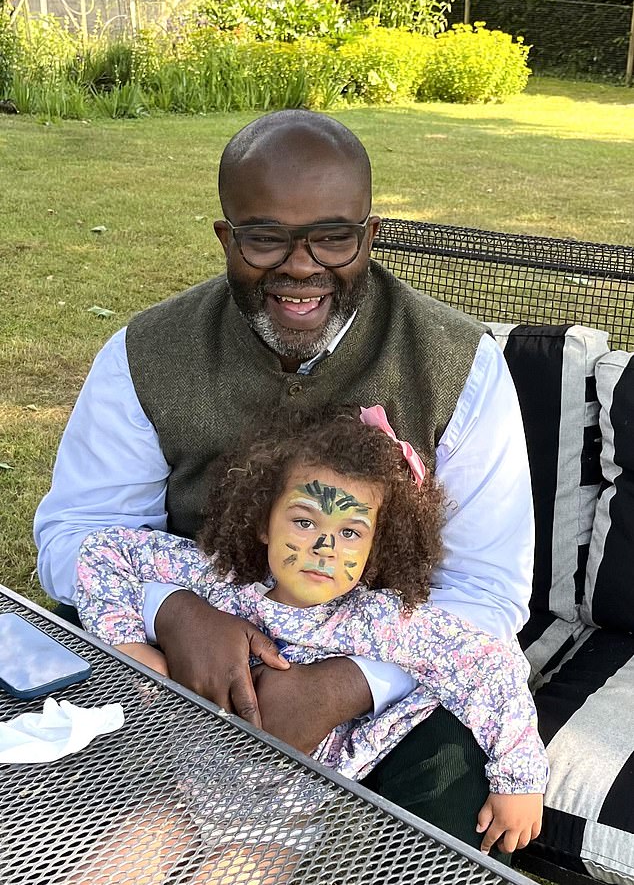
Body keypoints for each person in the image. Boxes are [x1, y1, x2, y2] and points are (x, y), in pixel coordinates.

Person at [34, 109, 535, 853]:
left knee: (441, 814)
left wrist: (343, 684)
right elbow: (74, 535)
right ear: (226, 237)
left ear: (369, 235)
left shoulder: (461, 364)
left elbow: (487, 593)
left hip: (392, 664)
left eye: (333, 236)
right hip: (180, 657)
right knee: (73, 788)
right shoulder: (144, 352)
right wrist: (171, 610)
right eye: (265, 236)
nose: (301, 267)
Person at [75, 406, 546, 855]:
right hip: (178, 785)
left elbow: (490, 664)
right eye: (304, 521)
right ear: (264, 522)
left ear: (376, 548)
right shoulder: (219, 579)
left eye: (350, 533)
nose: (323, 547)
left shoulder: (380, 621)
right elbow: (103, 551)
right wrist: (130, 644)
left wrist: (520, 781)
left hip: (279, 824)